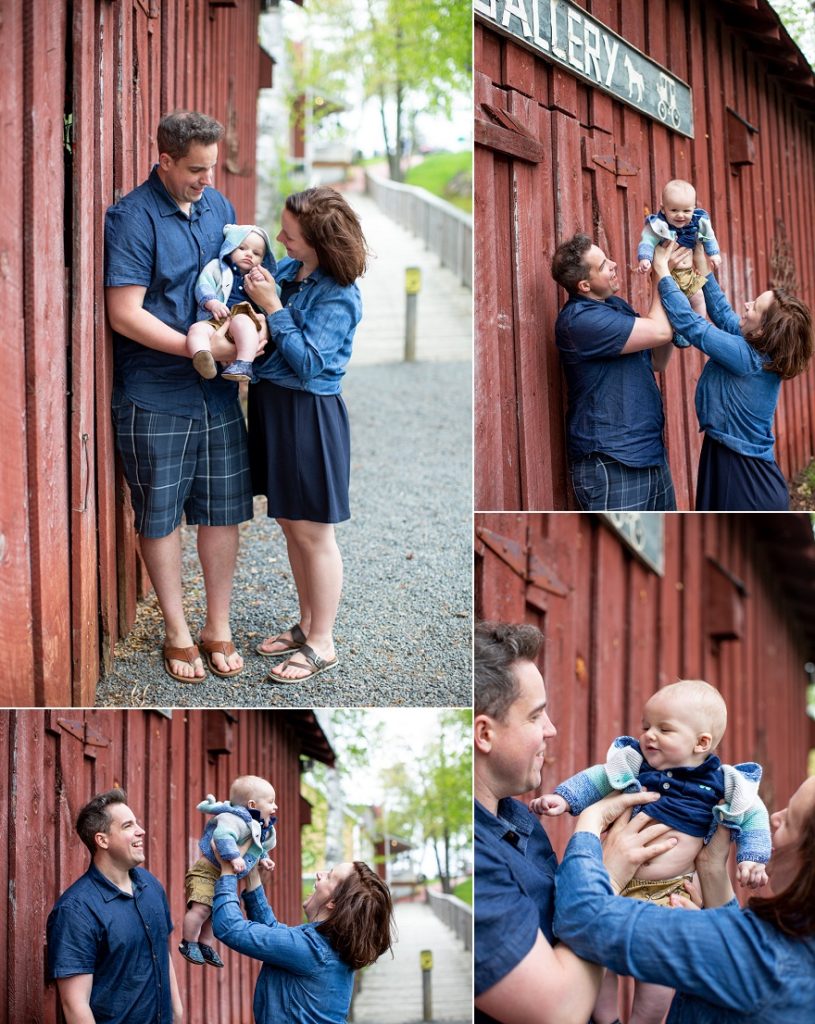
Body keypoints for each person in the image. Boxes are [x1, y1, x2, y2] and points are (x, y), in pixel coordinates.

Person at [105, 109, 257, 683]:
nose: (207, 181)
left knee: (222, 512)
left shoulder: (218, 208)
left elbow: (231, 276)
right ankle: (176, 629)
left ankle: (217, 624)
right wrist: (198, 352)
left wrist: (244, 328)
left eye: (213, 168)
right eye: (196, 170)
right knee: (161, 514)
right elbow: (124, 315)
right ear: (164, 160)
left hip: (215, 393)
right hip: (154, 391)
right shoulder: (131, 218)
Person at [532, 679, 771, 1024]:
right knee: (595, 956)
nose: (649, 736)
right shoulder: (635, 765)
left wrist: (752, 857)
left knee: (659, 976)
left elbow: (753, 814)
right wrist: (565, 798)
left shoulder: (722, 781)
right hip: (617, 883)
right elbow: (599, 778)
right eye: (646, 726)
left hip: (669, 893)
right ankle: (607, 1019)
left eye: (664, 729)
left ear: (701, 742)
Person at [473, 620, 675, 1024]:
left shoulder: (516, 820)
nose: (552, 730)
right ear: (484, 733)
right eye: (536, 716)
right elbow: (557, 1011)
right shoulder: (475, 854)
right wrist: (606, 874)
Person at [553, 775, 815, 1023]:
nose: (775, 817)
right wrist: (711, 867)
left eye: (789, 821)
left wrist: (591, 821)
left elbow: (582, 914)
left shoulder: (764, 959)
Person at [242, 186, 369, 682]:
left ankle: (323, 642)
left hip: (309, 412)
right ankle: (307, 622)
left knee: (315, 532)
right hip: (276, 406)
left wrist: (273, 307)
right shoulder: (292, 273)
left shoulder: (340, 293)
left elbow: (311, 362)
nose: (279, 239)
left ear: (317, 240)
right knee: (292, 524)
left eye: (290, 235)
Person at [651, 240, 814, 510]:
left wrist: (663, 274)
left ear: (762, 331)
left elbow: (693, 327)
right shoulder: (760, 349)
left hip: (742, 475)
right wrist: (704, 273)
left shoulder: (746, 357)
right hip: (737, 462)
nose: (747, 304)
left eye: (755, 307)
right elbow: (725, 316)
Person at [551, 233, 678, 511]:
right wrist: (661, 275)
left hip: (649, 454)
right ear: (584, 285)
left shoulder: (615, 307)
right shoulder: (580, 321)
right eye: (603, 265)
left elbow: (657, 359)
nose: (614, 264)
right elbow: (659, 330)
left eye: (607, 257)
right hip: (611, 462)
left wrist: (671, 284)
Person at [46, 789, 182, 1024]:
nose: (141, 830)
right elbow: (75, 1006)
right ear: (102, 840)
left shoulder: (151, 886)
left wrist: (178, 1014)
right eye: (128, 826)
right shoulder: (76, 911)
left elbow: (162, 952)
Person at [211, 855, 394, 1023]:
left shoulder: (312, 950)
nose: (319, 874)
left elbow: (229, 927)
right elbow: (274, 932)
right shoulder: (327, 946)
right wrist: (252, 877)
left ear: (334, 902)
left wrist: (227, 870)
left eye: (329, 876)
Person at [180, 775, 277, 967]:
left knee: (216, 912)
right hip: (206, 872)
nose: (275, 807)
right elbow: (222, 836)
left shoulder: (258, 826)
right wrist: (233, 856)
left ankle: (205, 944)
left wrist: (264, 859)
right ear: (252, 804)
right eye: (271, 802)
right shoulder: (233, 819)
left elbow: (257, 847)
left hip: (222, 877)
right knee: (202, 909)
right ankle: (188, 942)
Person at [187, 223, 276, 382]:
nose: (249, 254)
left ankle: (243, 363)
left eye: (256, 253)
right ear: (230, 248)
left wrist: (262, 280)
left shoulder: (258, 277)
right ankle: (203, 357)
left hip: (241, 319)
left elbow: (273, 296)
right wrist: (212, 302)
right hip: (215, 318)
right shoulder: (217, 268)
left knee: (241, 321)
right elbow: (203, 285)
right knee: (196, 329)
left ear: (263, 260)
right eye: (242, 248)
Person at [637, 179, 721, 326]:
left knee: (699, 297)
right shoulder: (658, 225)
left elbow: (709, 236)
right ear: (663, 209)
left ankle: (698, 325)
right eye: (674, 210)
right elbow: (647, 241)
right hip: (668, 275)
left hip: (687, 273)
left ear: (694, 208)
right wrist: (645, 258)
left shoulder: (698, 221)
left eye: (686, 211)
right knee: (673, 302)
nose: (680, 215)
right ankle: (676, 328)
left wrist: (713, 253)